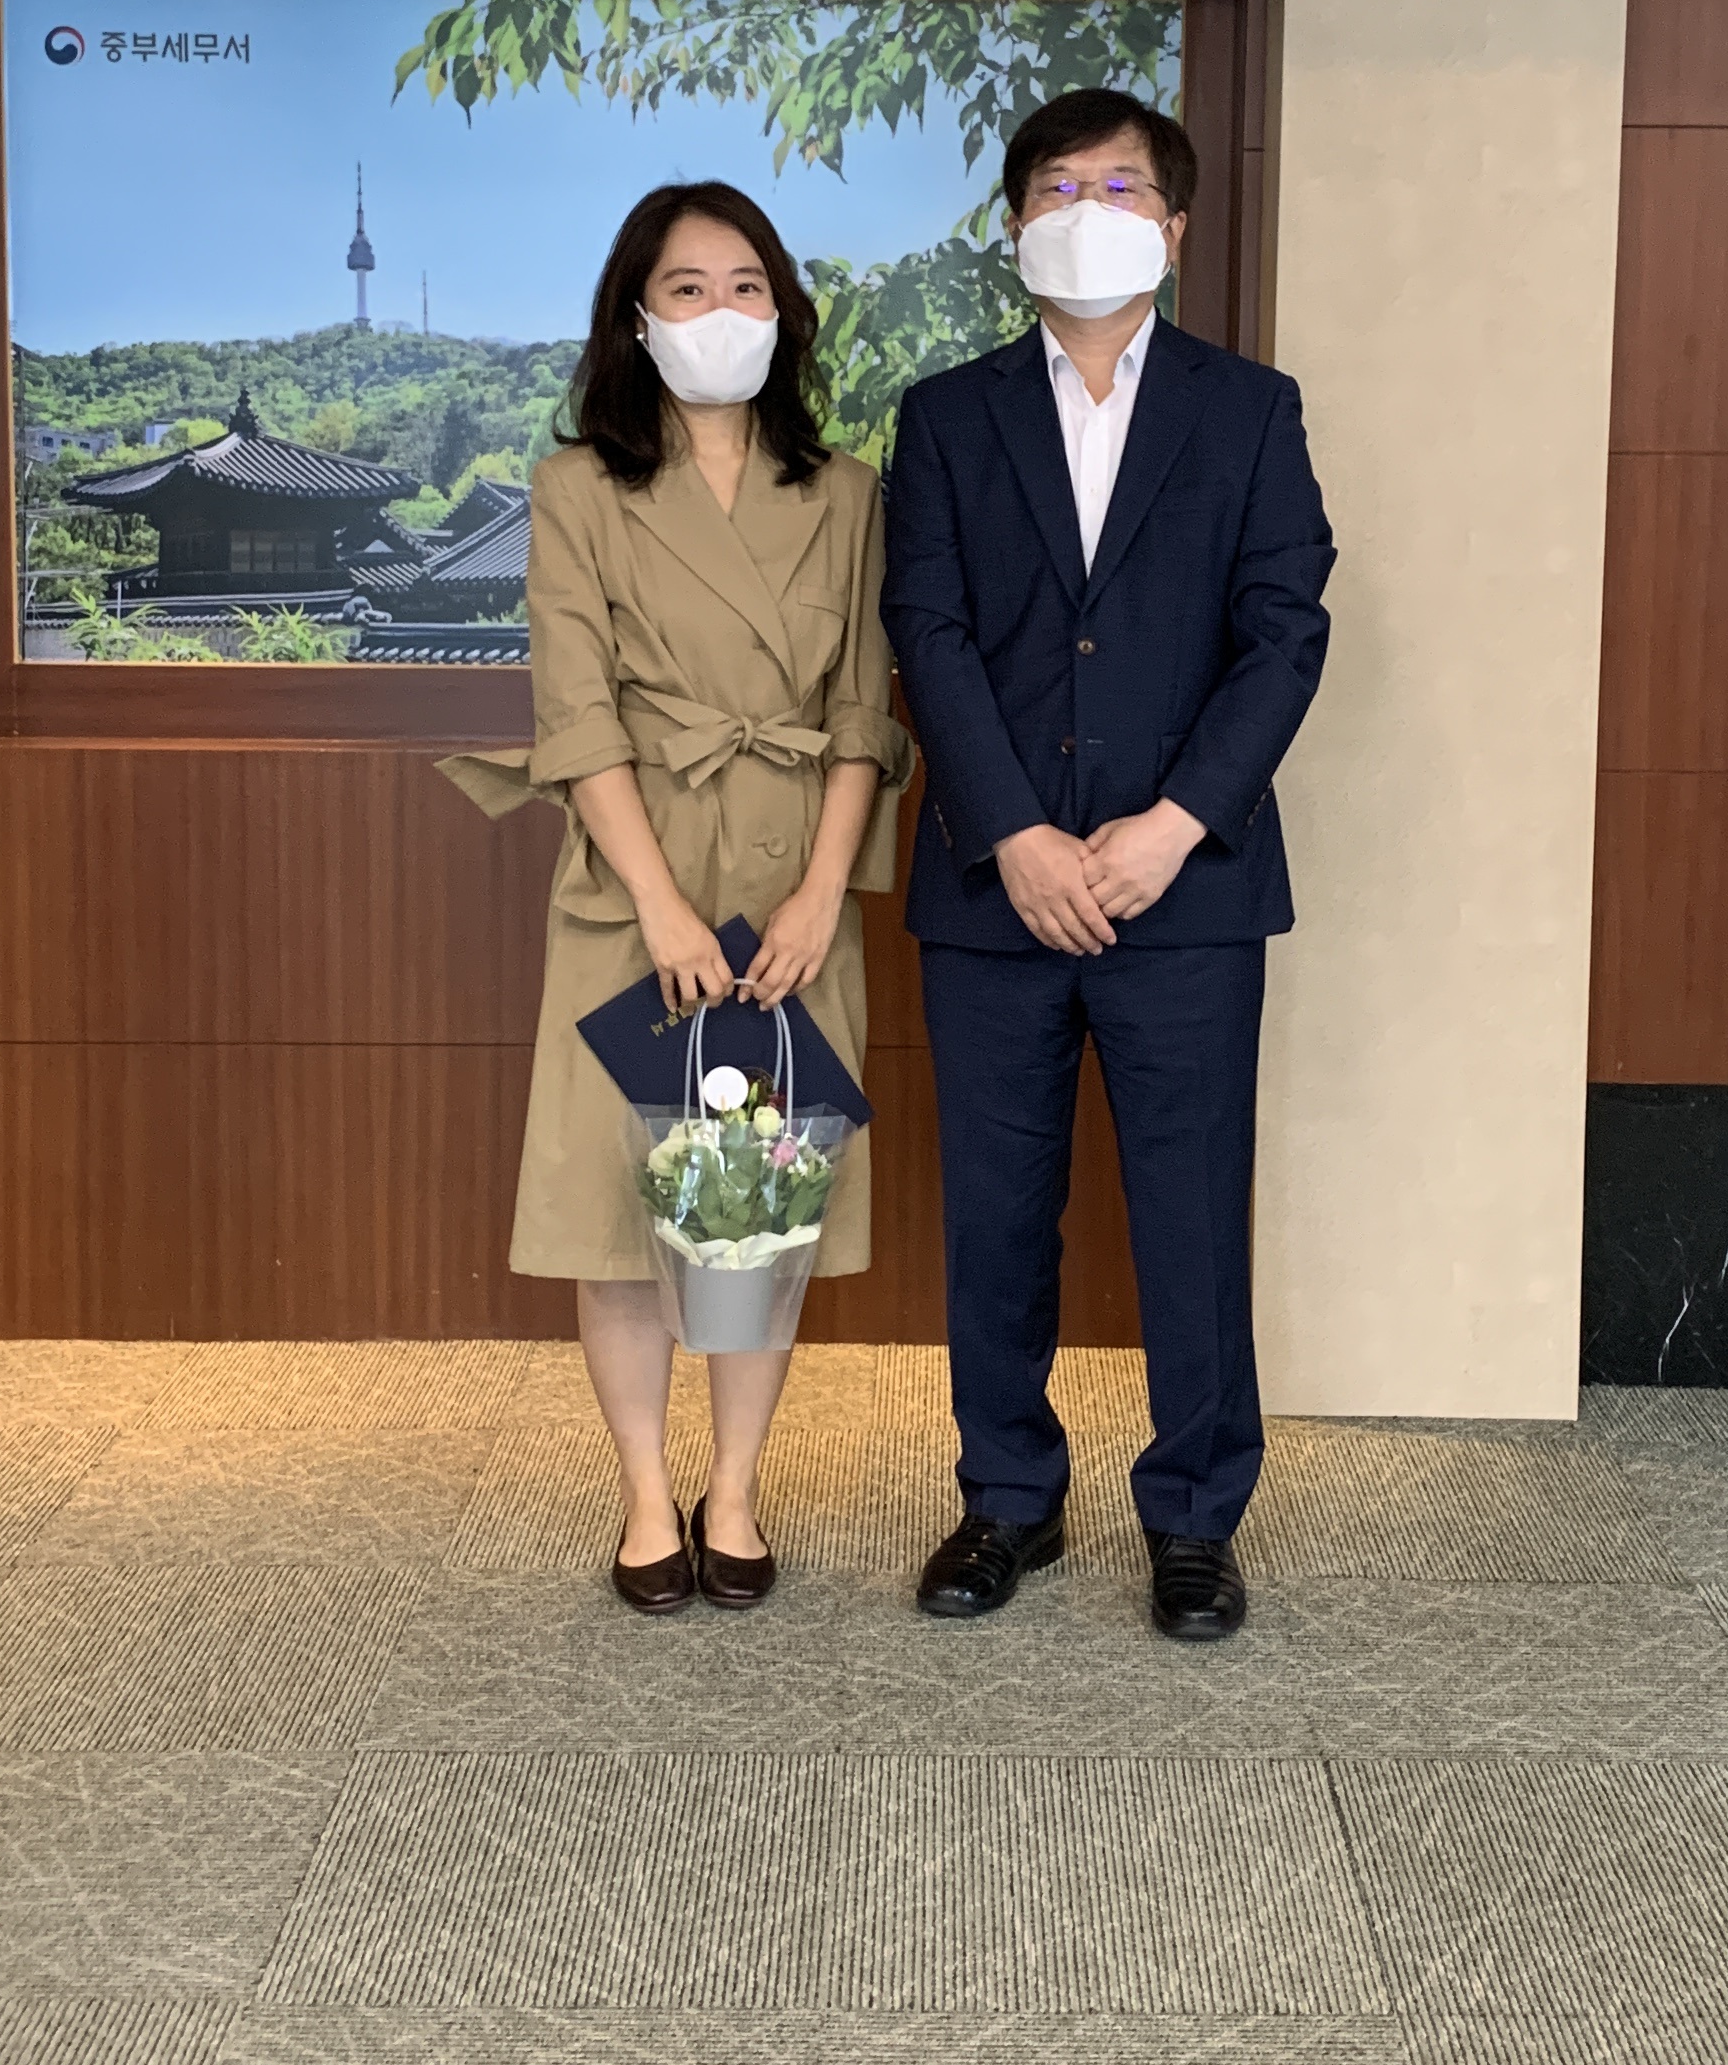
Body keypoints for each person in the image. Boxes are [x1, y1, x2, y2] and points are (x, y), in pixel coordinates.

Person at [880, 87, 1333, 1642]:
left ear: (1175, 225)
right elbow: (927, 628)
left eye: (1122, 186)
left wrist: (1174, 823)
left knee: (1190, 1216)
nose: (1089, 211)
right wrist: (1014, 832)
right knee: (998, 1214)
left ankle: (1196, 1517)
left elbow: (1285, 634)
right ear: (1015, 224)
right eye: (1059, 187)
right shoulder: (946, 416)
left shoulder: (1249, 411)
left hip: (1186, 892)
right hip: (993, 889)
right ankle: (1007, 1496)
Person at [445, 184, 909, 1615]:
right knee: (619, 1209)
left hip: (792, 890)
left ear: (785, 311)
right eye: (688, 289)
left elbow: (863, 711)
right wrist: (656, 907)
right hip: (631, 880)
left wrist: (824, 894)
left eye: (747, 285)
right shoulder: (577, 488)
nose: (721, 312)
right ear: (637, 319)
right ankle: (648, 1495)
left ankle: (738, 1490)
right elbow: (576, 715)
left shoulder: (846, 492)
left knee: (764, 1210)